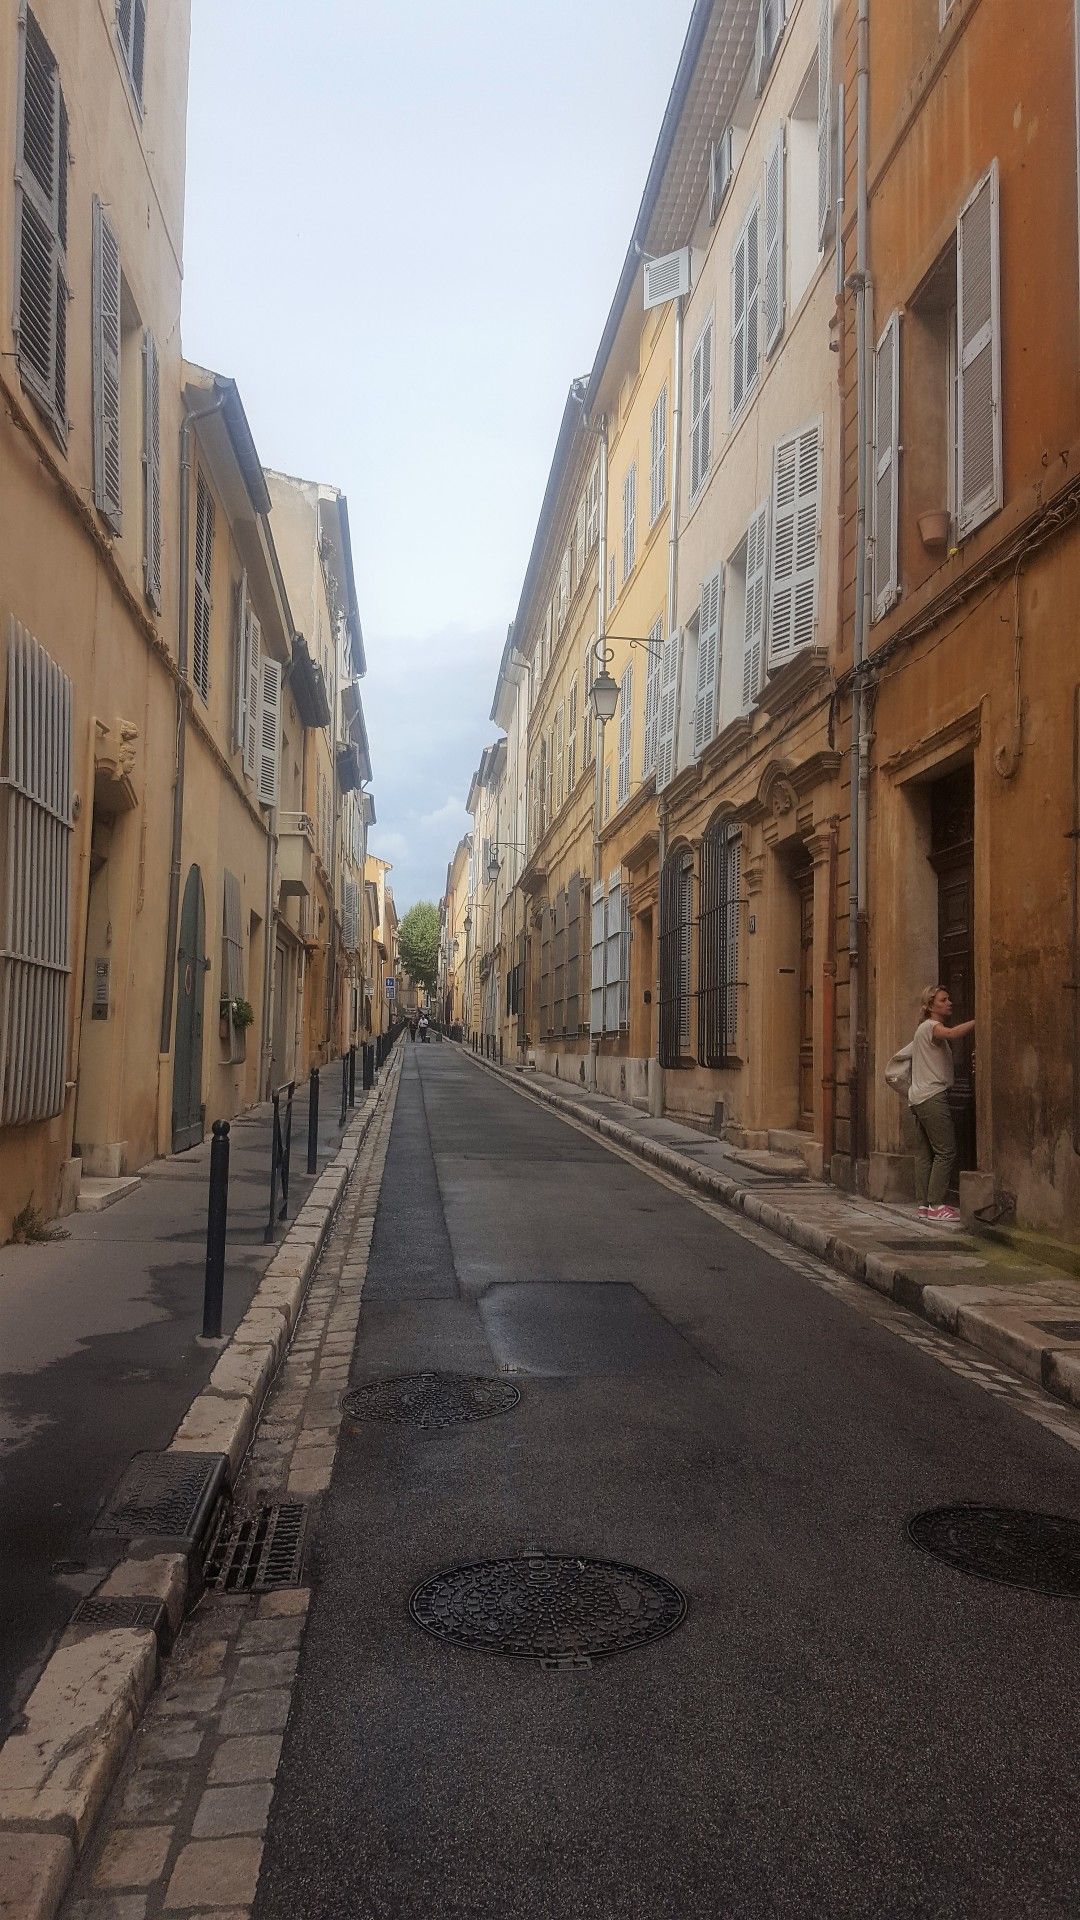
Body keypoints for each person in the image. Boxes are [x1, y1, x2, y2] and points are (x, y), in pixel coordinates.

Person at [909, 985, 975, 1224]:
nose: (949, 1003)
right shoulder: (931, 1027)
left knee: (926, 1153)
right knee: (946, 1151)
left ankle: (924, 1205)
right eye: (943, 1000)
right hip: (932, 1096)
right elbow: (953, 1033)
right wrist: (980, 1020)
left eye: (949, 999)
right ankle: (937, 1203)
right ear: (930, 1006)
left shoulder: (920, 1030)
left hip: (918, 1097)